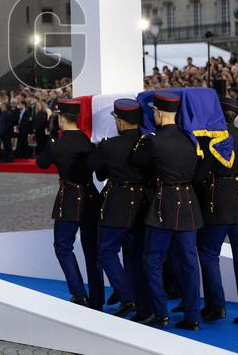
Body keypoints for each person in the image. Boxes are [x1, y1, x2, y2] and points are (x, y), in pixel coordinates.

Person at [131, 90, 203, 330]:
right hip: (188, 202)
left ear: (159, 113)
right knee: (189, 261)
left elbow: (137, 161)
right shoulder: (190, 139)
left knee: (153, 259)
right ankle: (192, 316)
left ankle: (160, 312)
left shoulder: (154, 141)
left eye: (154, 111)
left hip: (164, 203)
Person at [196, 97, 238, 327]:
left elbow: (201, 174)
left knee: (208, 253)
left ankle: (217, 306)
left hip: (220, 200)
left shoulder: (210, 138)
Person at [36, 99, 104, 310]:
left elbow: (42, 163)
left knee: (63, 246)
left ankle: (79, 293)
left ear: (62, 118)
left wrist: (47, 141)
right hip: (91, 197)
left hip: (69, 197)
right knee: (92, 250)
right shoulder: (88, 142)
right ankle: (97, 298)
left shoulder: (57, 144)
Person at [87, 98, 149, 320]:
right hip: (142, 202)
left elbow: (96, 170)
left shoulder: (109, 145)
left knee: (106, 251)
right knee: (135, 254)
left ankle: (126, 295)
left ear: (120, 122)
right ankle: (140, 299)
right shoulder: (146, 142)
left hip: (117, 202)